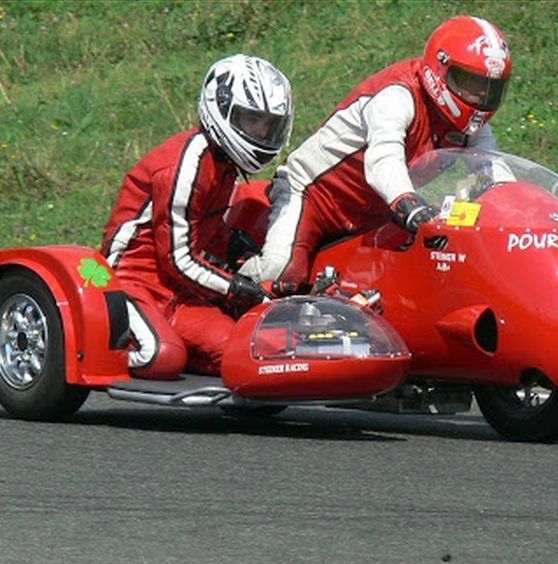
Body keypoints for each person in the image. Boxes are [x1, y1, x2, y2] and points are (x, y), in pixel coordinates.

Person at [238, 16, 512, 294]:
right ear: (439, 70)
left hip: (376, 215)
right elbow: (383, 159)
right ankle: (226, 285)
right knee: (281, 271)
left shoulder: (470, 126)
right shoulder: (398, 95)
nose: (479, 97)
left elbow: (494, 168)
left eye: (489, 88)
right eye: (469, 82)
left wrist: (515, 210)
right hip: (311, 195)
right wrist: (407, 202)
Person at [101, 54, 293, 377]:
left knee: (247, 351)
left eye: (268, 124)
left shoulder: (224, 164)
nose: (262, 133)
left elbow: (206, 229)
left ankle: (177, 342)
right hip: (131, 281)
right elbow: (177, 259)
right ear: (222, 108)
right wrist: (236, 288)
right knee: (161, 357)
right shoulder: (186, 164)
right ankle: (89, 343)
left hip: (180, 292)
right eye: (252, 120)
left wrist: (240, 251)